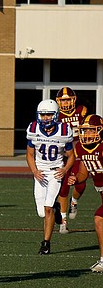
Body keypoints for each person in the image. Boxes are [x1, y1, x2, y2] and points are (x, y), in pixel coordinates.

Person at [25, 99, 74, 255]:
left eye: (48, 115)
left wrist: (65, 169)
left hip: (54, 172)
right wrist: (34, 171)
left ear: (56, 115)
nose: (45, 118)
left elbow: (71, 156)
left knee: (47, 209)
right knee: (42, 212)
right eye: (43, 115)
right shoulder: (33, 129)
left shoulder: (64, 131)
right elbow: (29, 154)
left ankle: (46, 243)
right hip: (40, 173)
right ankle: (57, 209)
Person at [70, 114, 103, 272]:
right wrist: (75, 179)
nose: (87, 134)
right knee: (99, 219)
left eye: (91, 131)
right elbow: (83, 174)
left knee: (99, 218)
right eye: (85, 131)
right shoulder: (80, 148)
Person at [55, 86, 89, 233]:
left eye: (68, 100)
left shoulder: (81, 111)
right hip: (63, 155)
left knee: (80, 184)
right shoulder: (55, 115)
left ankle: (74, 202)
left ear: (74, 100)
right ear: (58, 102)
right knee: (63, 188)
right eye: (63, 101)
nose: (66, 103)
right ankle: (63, 220)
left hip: (78, 153)